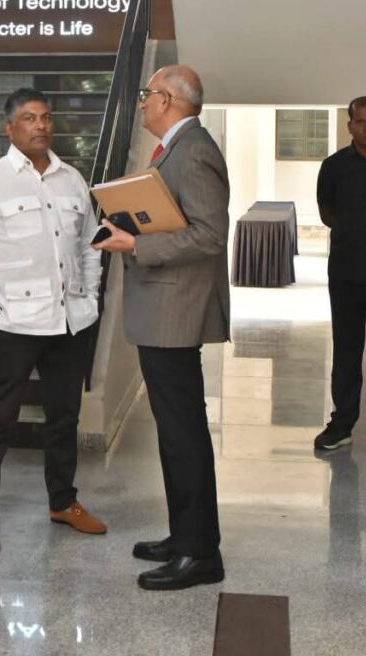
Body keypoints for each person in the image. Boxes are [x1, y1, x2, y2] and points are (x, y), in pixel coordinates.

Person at [94, 65, 229, 591]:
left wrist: (136, 244)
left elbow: (210, 235)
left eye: (148, 94)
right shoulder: (175, 148)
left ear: (168, 99)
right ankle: (184, 537)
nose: (143, 102)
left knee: (183, 435)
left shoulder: (193, 150)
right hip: (162, 310)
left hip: (176, 313)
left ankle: (200, 554)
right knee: (174, 435)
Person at [0, 86, 106, 553]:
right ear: (9, 128)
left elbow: (90, 246)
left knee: (64, 418)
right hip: (15, 325)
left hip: (70, 322)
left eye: (45, 117)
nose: (40, 125)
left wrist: (90, 298)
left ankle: (63, 501)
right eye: (29, 118)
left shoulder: (73, 180)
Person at [315, 96, 366, 460]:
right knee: (346, 348)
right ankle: (341, 424)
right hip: (345, 273)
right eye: (360, 121)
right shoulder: (333, 167)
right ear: (350, 125)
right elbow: (326, 211)